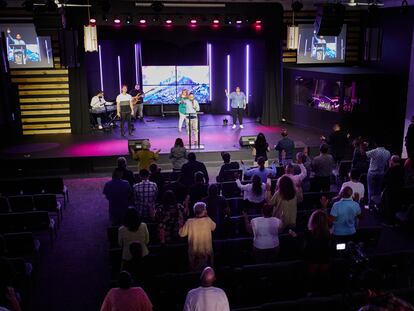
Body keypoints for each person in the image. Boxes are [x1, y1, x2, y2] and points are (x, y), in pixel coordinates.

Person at [179, 202, 216, 271]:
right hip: (206, 253)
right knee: (207, 272)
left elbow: (182, 233)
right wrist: (207, 216)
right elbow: (214, 227)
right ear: (204, 211)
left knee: (194, 272)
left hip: (194, 253)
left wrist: (180, 225)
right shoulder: (207, 220)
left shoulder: (189, 222)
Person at [366, 139, 391, 205]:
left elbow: (364, 153)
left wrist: (364, 145)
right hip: (381, 173)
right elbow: (388, 164)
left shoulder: (375, 151)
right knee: (378, 190)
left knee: (371, 189)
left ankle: (370, 205)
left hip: (372, 173)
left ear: (376, 144)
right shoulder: (388, 152)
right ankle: (377, 205)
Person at [381, 155, 405, 225]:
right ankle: (397, 221)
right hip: (400, 191)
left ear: (392, 161)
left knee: (389, 206)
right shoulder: (402, 169)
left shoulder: (390, 170)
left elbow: (384, 181)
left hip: (390, 192)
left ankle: (390, 222)